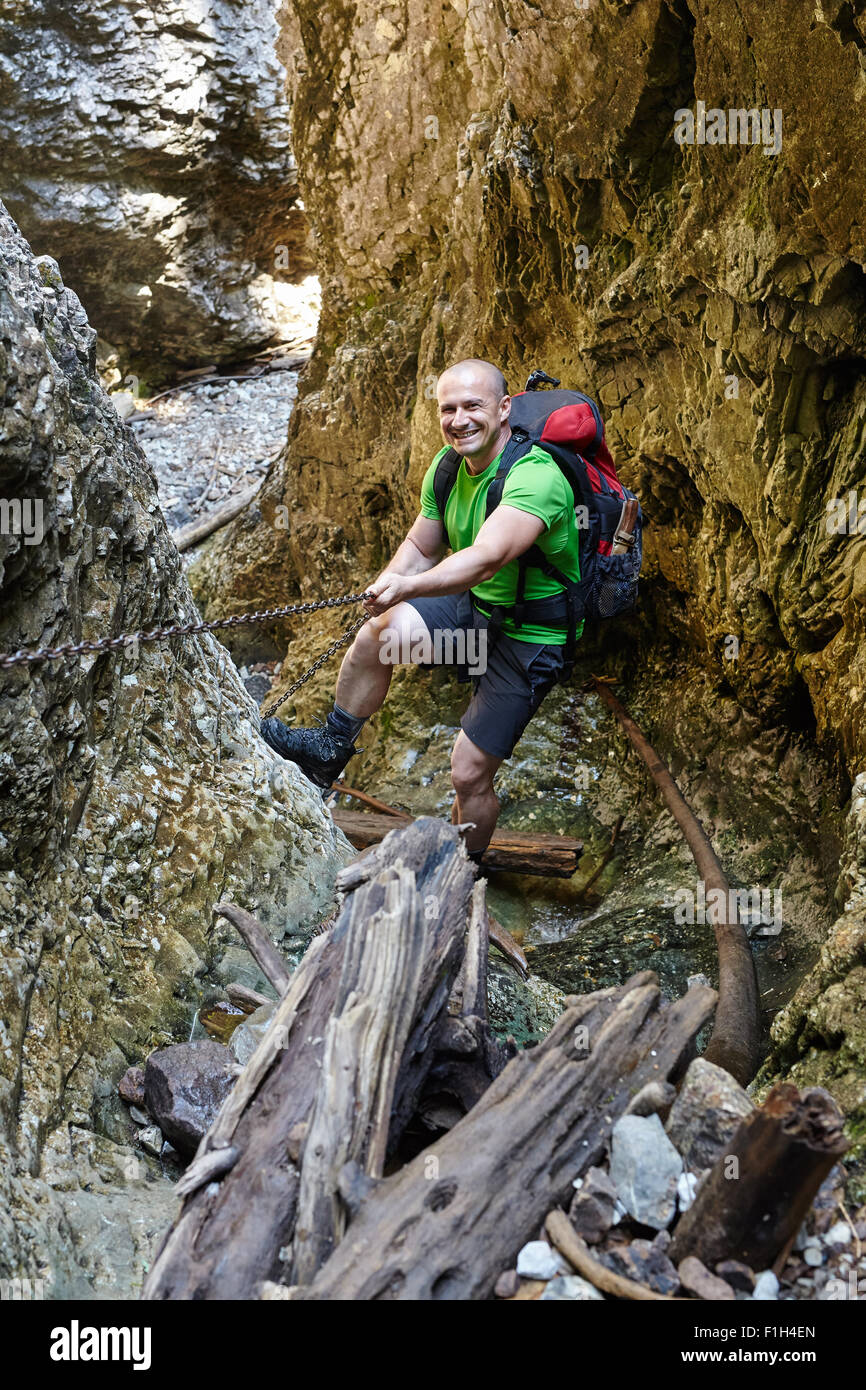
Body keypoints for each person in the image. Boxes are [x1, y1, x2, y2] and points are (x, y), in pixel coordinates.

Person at [261, 358, 583, 859]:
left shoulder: (536, 476)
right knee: (377, 635)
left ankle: (462, 868)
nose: (459, 420)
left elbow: (484, 558)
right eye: (448, 409)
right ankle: (330, 749)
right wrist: (389, 583)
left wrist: (408, 589)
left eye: (473, 406)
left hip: (530, 634)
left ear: (503, 409)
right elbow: (423, 544)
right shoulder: (449, 466)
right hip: (475, 610)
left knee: (468, 773)